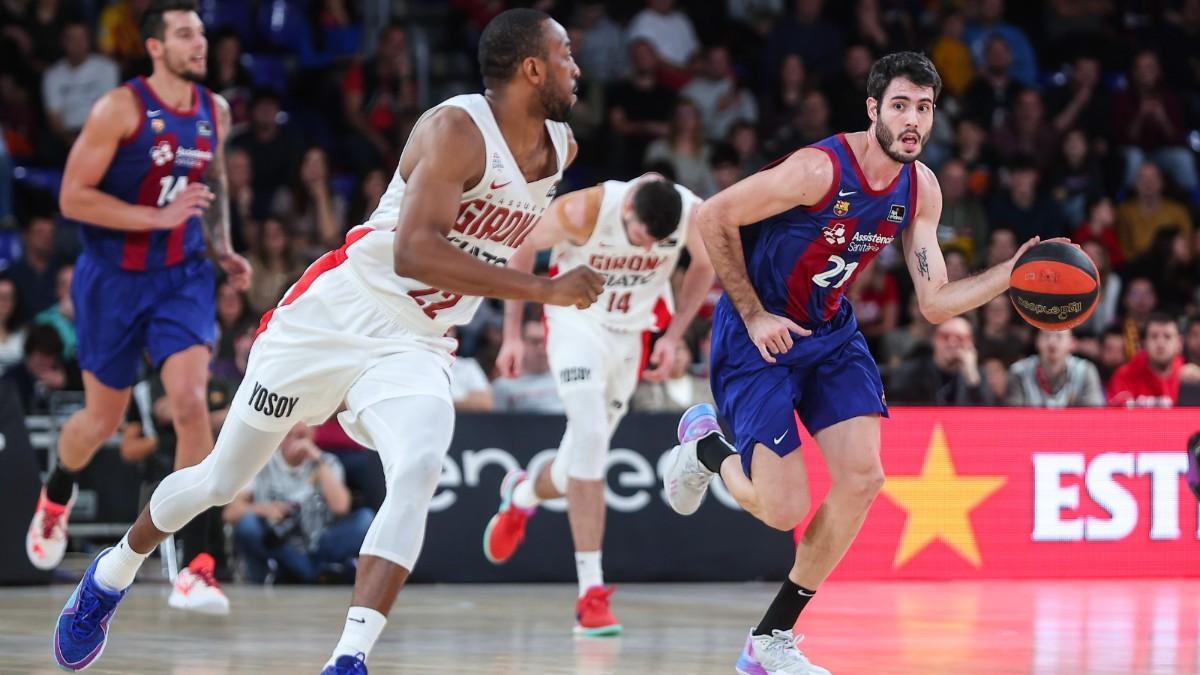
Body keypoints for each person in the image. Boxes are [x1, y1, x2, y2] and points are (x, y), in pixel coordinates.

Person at [51, 9, 603, 675]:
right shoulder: (457, 128)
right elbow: (414, 252)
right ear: (533, 68)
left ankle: (349, 658)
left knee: (420, 467)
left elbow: (510, 235)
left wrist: (554, 289)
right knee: (220, 479)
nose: (579, 66)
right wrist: (545, 292)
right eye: (565, 53)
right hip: (333, 317)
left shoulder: (561, 150)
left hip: (417, 341)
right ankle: (112, 573)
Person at [657, 52, 1064, 674]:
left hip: (830, 336)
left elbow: (934, 303)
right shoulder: (817, 170)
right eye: (900, 106)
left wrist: (1008, 276)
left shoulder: (919, 187)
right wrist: (755, 312)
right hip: (759, 337)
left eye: (924, 109)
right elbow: (714, 217)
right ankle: (706, 446)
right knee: (785, 508)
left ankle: (770, 641)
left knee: (864, 478)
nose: (913, 122)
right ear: (873, 108)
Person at [26, 0, 252, 617]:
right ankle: (57, 493)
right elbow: (73, 197)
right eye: (184, 34)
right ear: (155, 47)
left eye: (201, 33)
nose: (198, 43)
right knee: (101, 420)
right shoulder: (119, 108)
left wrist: (224, 248)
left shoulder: (216, 111)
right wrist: (155, 218)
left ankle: (194, 564)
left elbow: (216, 187)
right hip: (113, 280)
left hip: (181, 276)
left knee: (188, 403)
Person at [482, 174, 713, 633]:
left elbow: (705, 265)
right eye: (641, 239)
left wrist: (673, 335)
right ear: (627, 209)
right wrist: (511, 333)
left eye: (657, 246)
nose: (648, 252)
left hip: (630, 335)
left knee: (577, 465)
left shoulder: (692, 213)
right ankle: (591, 594)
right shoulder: (585, 210)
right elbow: (523, 247)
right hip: (576, 323)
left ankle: (522, 495)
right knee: (589, 435)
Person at [1006, 329, 1104, 407]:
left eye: (1059, 336)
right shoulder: (1019, 371)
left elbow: (1094, 415)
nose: (1052, 342)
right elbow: (1013, 417)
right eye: (1046, 335)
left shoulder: (1085, 371)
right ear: (1036, 341)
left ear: (1072, 343)